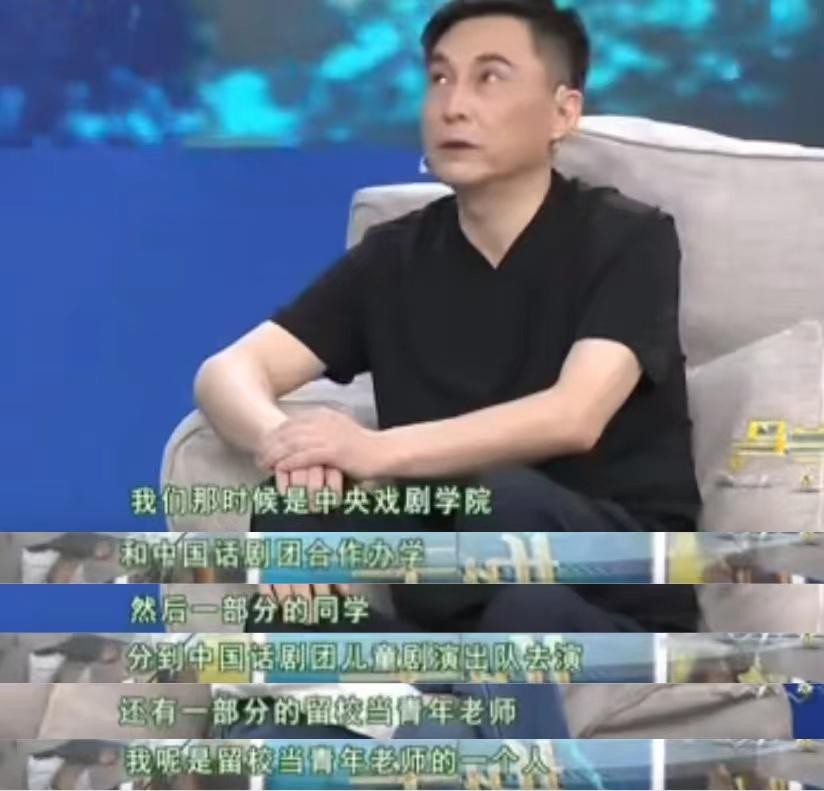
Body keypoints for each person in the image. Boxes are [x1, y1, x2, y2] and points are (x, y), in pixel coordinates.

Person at [194, 0, 702, 639]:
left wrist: (372, 450)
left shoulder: (629, 238)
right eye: (439, 78)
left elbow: (573, 416)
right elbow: (228, 371)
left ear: (563, 112)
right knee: (283, 583)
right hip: (454, 598)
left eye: (490, 78)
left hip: (611, 584)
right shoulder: (393, 257)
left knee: (498, 507)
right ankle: (431, 688)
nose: (453, 105)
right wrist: (292, 454)